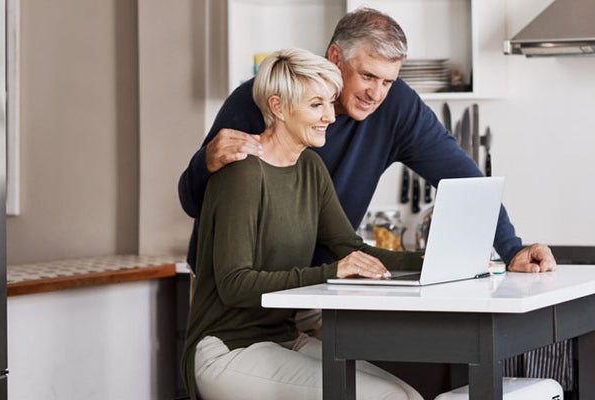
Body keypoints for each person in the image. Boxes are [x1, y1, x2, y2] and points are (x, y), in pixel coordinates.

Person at [178, 6, 569, 398]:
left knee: (399, 393)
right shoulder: (260, 107)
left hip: (304, 300)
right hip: (234, 314)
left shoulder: (357, 133)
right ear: (335, 59)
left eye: (387, 81)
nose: (376, 93)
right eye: (367, 76)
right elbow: (205, 220)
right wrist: (206, 163)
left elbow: (463, 179)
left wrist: (504, 251)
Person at [181, 48, 425, 400]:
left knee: (406, 393)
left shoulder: (310, 167)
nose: (329, 116)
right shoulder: (243, 172)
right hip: (227, 349)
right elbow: (235, 284)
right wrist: (332, 271)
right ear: (278, 107)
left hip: (282, 338)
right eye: (316, 105)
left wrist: (430, 262)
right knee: (388, 399)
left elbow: (351, 249)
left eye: (330, 103)